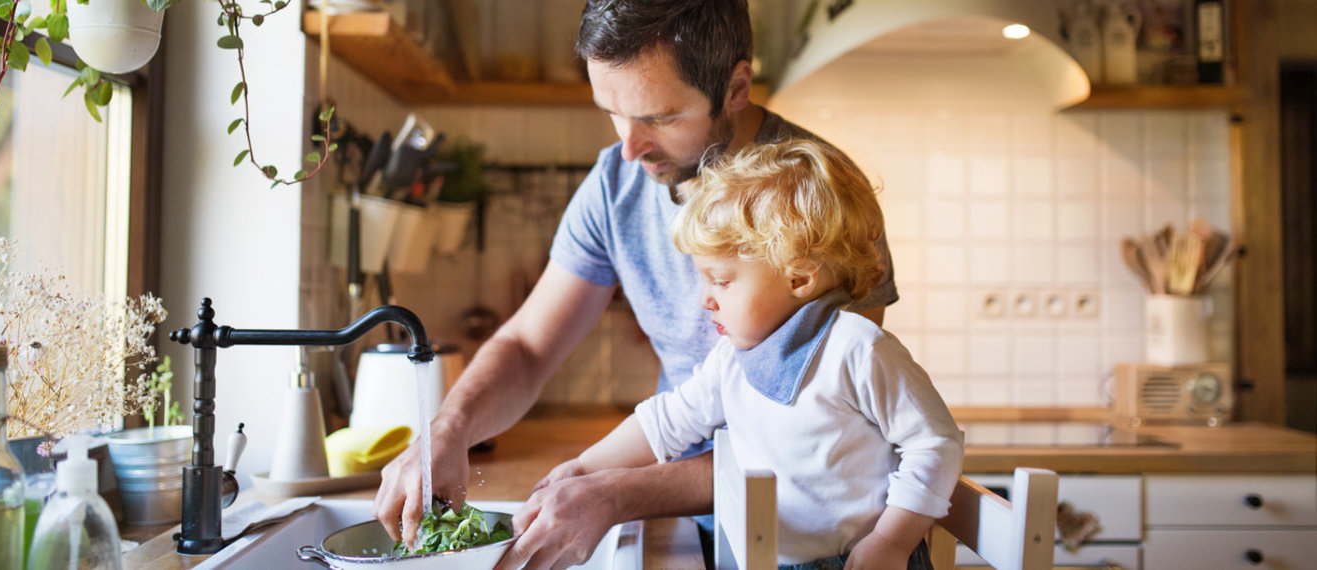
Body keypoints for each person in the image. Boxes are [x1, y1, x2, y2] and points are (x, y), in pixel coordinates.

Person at [373, 1, 900, 568]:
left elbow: (813, 438)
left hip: (817, 535)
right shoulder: (615, 183)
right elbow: (527, 348)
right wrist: (447, 434)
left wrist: (623, 491)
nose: (629, 147)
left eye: (662, 117)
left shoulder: (823, 201)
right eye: (612, 112)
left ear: (736, 86)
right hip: (694, 517)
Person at [546, 139, 962, 570]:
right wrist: (582, 468)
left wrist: (892, 542)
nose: (705, 300)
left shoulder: (858, 349)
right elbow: (667, 421)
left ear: (799, 278)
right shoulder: (733, 359)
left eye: (721, 281)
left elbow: (936, 445)